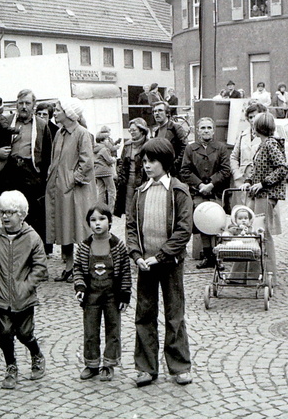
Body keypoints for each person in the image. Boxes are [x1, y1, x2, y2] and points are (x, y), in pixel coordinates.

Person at [126, 138, 193, 387]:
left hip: (170, 263)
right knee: (144, 314)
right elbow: (131, 227)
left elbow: (184, 230)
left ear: (164, 162)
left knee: (174, 314)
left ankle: (179, 366)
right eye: (144, 161)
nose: (146, 166)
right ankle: (145, 367)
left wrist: (162, 255)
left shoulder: (178, 191)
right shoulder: (140, 192)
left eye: (151, 161)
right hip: (146, 264)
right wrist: (137, 255)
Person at [0, 190, 49, 390]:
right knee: (4, 333)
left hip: (24, 298)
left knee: (24, 333)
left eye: (10, 212)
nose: (4, 217)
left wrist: (27, 286)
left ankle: (36, 354)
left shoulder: (32, 238)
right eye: (1, 212)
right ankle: (11, 366)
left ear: (21, 214)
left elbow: (40, 267)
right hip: (2, 296)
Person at [73, 204, 131, 382]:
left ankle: (109, 364)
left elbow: (125, 271)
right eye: (93, 220)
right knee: (90, 330)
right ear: (88, 224)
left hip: (112, 294)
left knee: (113, 329)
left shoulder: (118, 245)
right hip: (91, 294)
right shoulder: (84, 246)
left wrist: (124, 294)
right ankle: (91, 364)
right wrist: (80, 288)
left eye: (101, 219)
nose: (97, 223)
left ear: (110, 221)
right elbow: (78, 270)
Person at [0, 89, 52, 248]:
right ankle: (10, 250)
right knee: (9, 213)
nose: (24, 107)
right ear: (16, 105)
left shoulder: (41, 126)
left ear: (34, 106)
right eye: (21, 103)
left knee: (33, 216)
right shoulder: (6, 121)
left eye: (27, 103)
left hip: (31, 175)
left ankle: (34, 252)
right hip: (8, 173)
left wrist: (43, 179)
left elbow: (47, 155)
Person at [46, 97, 97, 283]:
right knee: (64, 227)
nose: (55, 112)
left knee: (79, 228)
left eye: (58, 109)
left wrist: (71, 180)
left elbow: (87, 162)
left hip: (76, 191)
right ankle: (68, 267)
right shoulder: (60, 133)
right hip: (59, 189)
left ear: (68, 113)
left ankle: (83, 267)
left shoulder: (82, 134)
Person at [240, 112, 288, 285]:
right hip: (260, 194)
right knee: (256, 233)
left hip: (266, 195)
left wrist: (263, 183)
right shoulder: (263, 144)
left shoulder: (270, 145)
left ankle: (269, 277)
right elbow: (259, 169)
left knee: (263, 234)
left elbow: (282, 168)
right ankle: (257, 274)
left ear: (257, 128)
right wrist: (248, 181)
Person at [180, 117, 231, 269]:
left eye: (209, 127)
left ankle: (218, 257)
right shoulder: (190, 149)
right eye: (203, 128)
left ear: (213, 131)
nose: (206, 131)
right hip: (199, 192)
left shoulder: (221, 148)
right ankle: (207, 256)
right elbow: (185, 170)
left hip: (216, 192)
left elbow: (226, 169)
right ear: (197, 131)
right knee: (203, 221)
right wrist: (200, 184)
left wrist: (212, 184)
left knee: (216, 222)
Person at [230, 102, 266, 206]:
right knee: (242, 213)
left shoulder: (269, 136)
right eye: (250, 117)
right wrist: (237, 175)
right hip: (242, 181)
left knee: (260, 215)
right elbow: (234, 157)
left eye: (255, 116)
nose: (253, 120)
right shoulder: (243, 135)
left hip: (260, 182)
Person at [114, 118, 149, 218]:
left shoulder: (148, 144)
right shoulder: (127, 145)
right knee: (129, 209)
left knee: (142, 209)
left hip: (143, 181)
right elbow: (121, 162)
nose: (131, 132)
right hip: (128, 181)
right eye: (130, 130)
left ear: (142, 130)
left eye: (134, 130)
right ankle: (128, 231)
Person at [151, 101, 188, 176]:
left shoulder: (176, 128)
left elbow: (185, 147)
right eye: (155, 111)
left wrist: (175, 164)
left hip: (174, 172)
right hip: (160, 171)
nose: (157, 113)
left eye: (160, 110)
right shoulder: (156, 131)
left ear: (167, 113)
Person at [94, 130, 117, 208]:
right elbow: (109, 160)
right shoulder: (104, 149)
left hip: (97, 172)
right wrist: (114, 159)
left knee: (101, 191)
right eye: (107, 139)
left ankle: (99, 208)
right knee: (112, 191)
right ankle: (110, 211)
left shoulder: (94, 149)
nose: (108, 141)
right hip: (106, 172)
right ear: (102, 141)